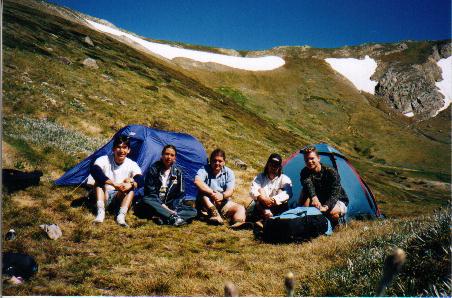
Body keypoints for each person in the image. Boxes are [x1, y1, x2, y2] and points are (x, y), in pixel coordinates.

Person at [89, 135, 143, 227]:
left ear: (129, 150)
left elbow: (140, 178)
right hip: (103, 195)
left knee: (130, 186)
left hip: (118, 196)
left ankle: (121, 217)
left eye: (125, 148)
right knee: (99, 182)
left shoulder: (132, 164)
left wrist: (131, 183)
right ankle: (100, 213)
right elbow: (95, 171)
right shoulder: (103, 159)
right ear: (113, 149)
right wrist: (114, 184)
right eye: (119, 147)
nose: (122, 151)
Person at [141, 145, 197, 227]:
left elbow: (181, 194)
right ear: (162, 155)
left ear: (175, 158)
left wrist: (173, 208)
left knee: (193, 211)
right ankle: (172, 218)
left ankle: (163, 217)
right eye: (166, 154)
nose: (169, 157)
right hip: (156, 203)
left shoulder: (178, 172)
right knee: (146, 199)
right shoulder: (153, 169)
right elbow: (150, 193)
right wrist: (163, 206)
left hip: (170, 205)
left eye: (172, 155)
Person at [194, 148, 247, 228]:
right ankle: (214, 214)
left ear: (224, 162)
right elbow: (197, 181)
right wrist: (212, 193)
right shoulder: (204, 169)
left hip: (222, 201)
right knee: (203, 193)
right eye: (214, 160)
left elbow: (230, 191)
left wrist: (222, 196)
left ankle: (238, 223)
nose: (217, 163)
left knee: (240, 208)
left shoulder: (229, 172)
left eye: (220, 161)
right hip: (207, 202)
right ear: (210, 161)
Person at [299, 146, 349, 224]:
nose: (309, 161)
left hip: (337, 199)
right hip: (319, 199)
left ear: (318, 158)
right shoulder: (304, 172)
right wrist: (314, 197)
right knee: (304, 197)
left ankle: (339, 221)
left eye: (312, 158)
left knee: (332, 213)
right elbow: (308, 185)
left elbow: (335, 194)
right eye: (306, 160)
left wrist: (326, 206)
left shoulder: (330, 171)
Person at [248, 153, 292, 228]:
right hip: (262, 206)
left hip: (276, 206)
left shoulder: (284, 178)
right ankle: (266, 217)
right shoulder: (260, 177)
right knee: (261, 190)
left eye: (276, 165)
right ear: (268, 164)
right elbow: (253, 189)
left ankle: (266, 220)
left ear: (279, 167)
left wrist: (273, 200)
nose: (273, 167)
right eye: (271, 164)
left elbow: (288, 193)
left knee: (281, 191)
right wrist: (262, 198)